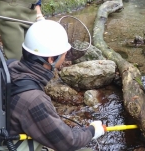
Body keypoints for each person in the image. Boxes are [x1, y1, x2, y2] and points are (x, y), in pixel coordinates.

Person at [6, 20, 105, 151]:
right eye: (64, 54)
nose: (65, 58)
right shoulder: (34, 99)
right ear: (51, 59)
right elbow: (68, 142)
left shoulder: (11, 67)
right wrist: (92, 131)